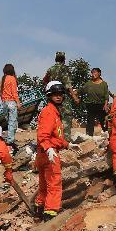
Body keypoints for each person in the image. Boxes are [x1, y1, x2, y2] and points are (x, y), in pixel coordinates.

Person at [35, 82, 69, 221]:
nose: (58, 96)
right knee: (54, 182)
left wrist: (67, 144)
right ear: (49, 95)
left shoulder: (53, 112)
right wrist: (49, 148)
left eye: (60, 94)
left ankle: (39, 207)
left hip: (44, 152)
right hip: (49, 152)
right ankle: (50, 212)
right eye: (55, 94)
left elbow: (56, 136)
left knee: (44, 183)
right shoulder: (49, 112)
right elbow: (43, 135)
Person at [43, 51, 80, 138]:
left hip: (52, 97)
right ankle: (66, 140)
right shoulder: (64, 68)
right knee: (66, 117)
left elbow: (44, 80)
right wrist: (74, 96)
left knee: (53, 117)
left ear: (56, 59)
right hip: (62, 97)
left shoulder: (51, 69)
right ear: (64, 59)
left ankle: (55, 137)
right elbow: (68, 83)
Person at [82, 67, 110, 136]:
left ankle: (106, 134)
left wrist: (106, 105)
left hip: (101, 105)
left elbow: (106, 95)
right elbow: (81, 90)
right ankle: (89, 136)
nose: (93, 74)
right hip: (91, 105)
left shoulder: (104, 84)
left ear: (99, 73)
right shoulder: (88, 83)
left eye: (94, 72)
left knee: (103, 120)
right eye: (92, 72)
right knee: (90, 122)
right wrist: (73, 93)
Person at [0, 63, 22, 149]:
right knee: (13, 123)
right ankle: (10, 142)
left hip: (4, 103)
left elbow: (0, 91)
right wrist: (18, 103)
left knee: (9, 122)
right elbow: (14, 93)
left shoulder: (2, 79)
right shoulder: (12, 79)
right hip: (11, 102)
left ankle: (9, 140)